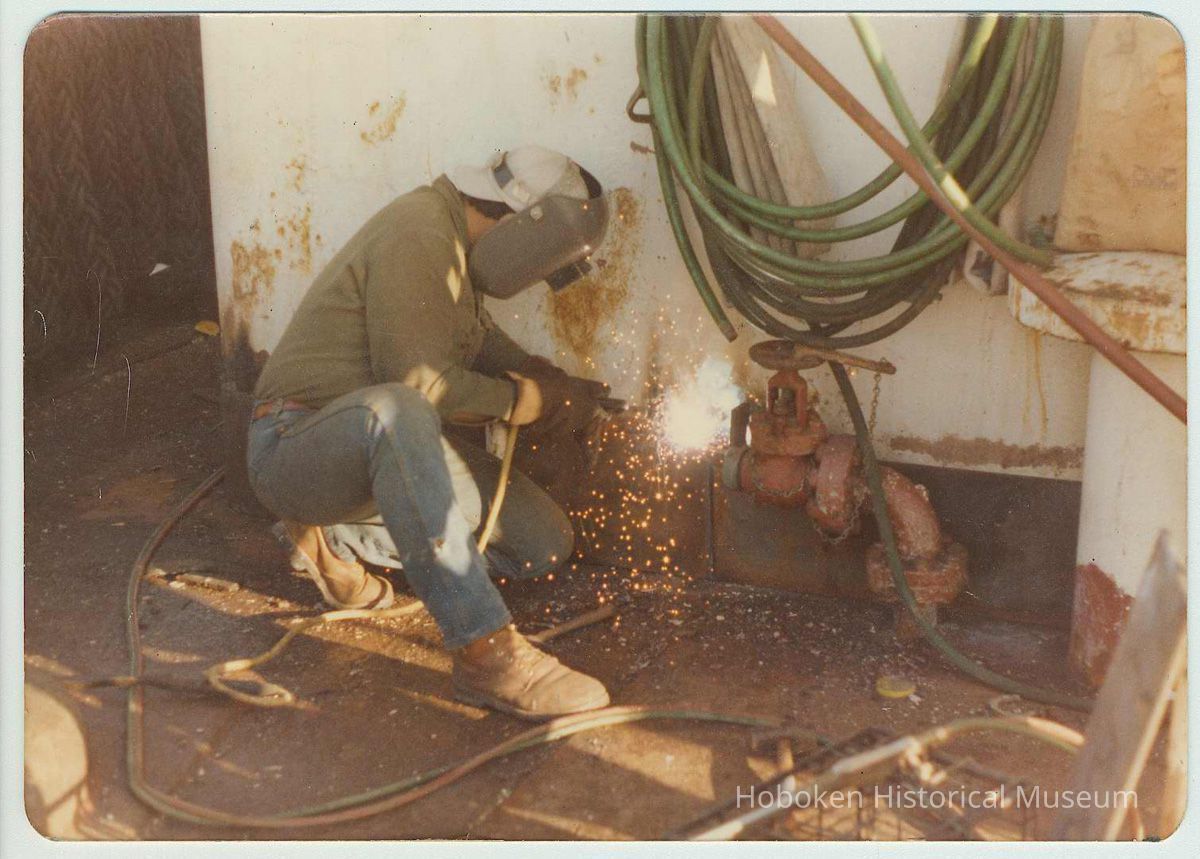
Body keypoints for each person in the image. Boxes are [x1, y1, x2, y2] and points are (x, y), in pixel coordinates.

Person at [246, 146, 613, 720]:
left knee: (541, 542)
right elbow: (417, 379)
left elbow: (477, 337)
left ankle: (328, 539)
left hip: (378, 464)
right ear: (525, 220)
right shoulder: (420, 230)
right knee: (399, 407)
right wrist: (521, 400)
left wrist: (547, 377)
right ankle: (484, 651)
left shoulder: (454, 251)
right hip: (298, 444)